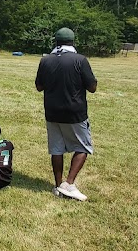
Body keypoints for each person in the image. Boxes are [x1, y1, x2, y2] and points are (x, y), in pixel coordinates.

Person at [35, 27, 97, 202]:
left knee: (56, 149)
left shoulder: (45, 60)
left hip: (52, 111)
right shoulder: (80, 60)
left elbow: (39, 86)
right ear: (72, 42)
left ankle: (57, 185)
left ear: (56, 42)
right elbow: (92, 88)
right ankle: (69, 184)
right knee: (83, 146)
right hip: (74, 112)